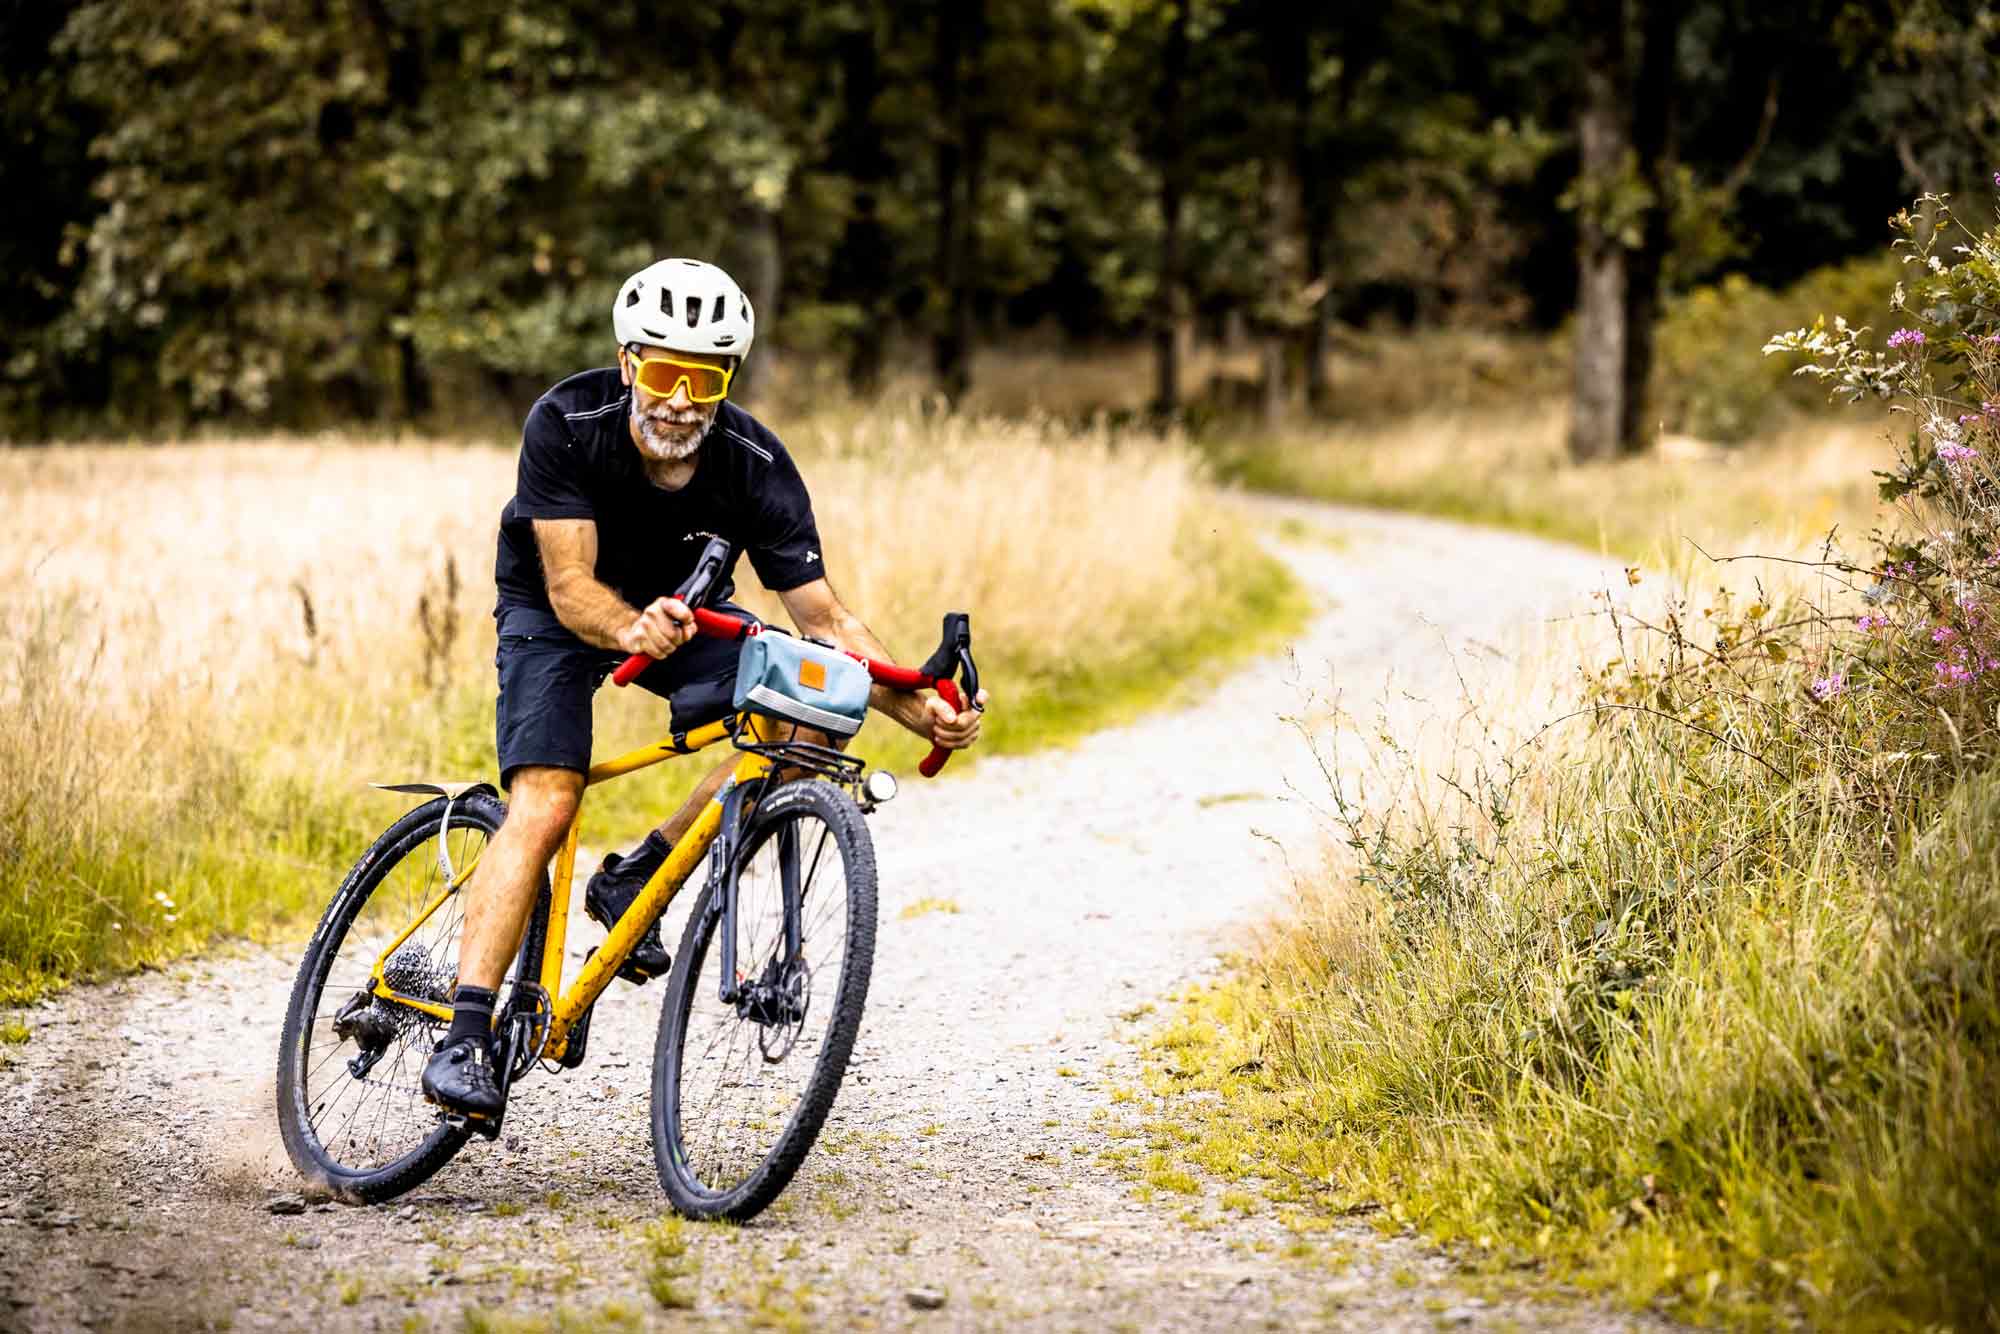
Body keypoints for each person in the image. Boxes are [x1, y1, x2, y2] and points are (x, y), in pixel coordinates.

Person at [421, 258, 989, 1118]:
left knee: (808, 723)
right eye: (663, 371)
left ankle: (636, 877)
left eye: (706, 376)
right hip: (555, 610)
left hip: (689, 613)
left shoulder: (753, 463)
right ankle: (464, 1036)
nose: (682, 398)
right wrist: (626, 628)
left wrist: (923, 713)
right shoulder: (567, 422)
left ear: (728, 378)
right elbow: (572, 585)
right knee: (547, 798)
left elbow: (827, 623)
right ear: (627, 365)